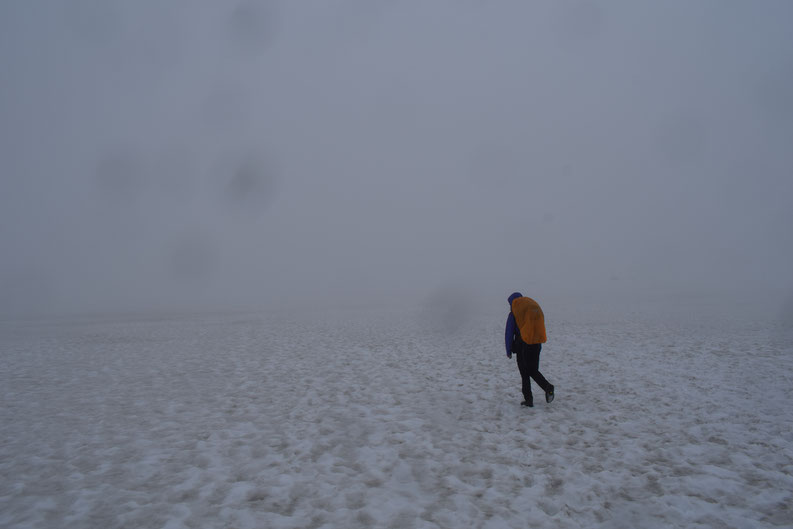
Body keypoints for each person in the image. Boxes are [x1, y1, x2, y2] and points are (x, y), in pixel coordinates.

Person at [505, 292, 554, 407]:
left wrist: (508, 350)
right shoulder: (530, 310)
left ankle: (529, 399)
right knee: (533, 370)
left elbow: (509, 333)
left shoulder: (514, 314)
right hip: (536, 343)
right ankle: (547, 388)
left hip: (522, 345)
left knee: (525, 373)